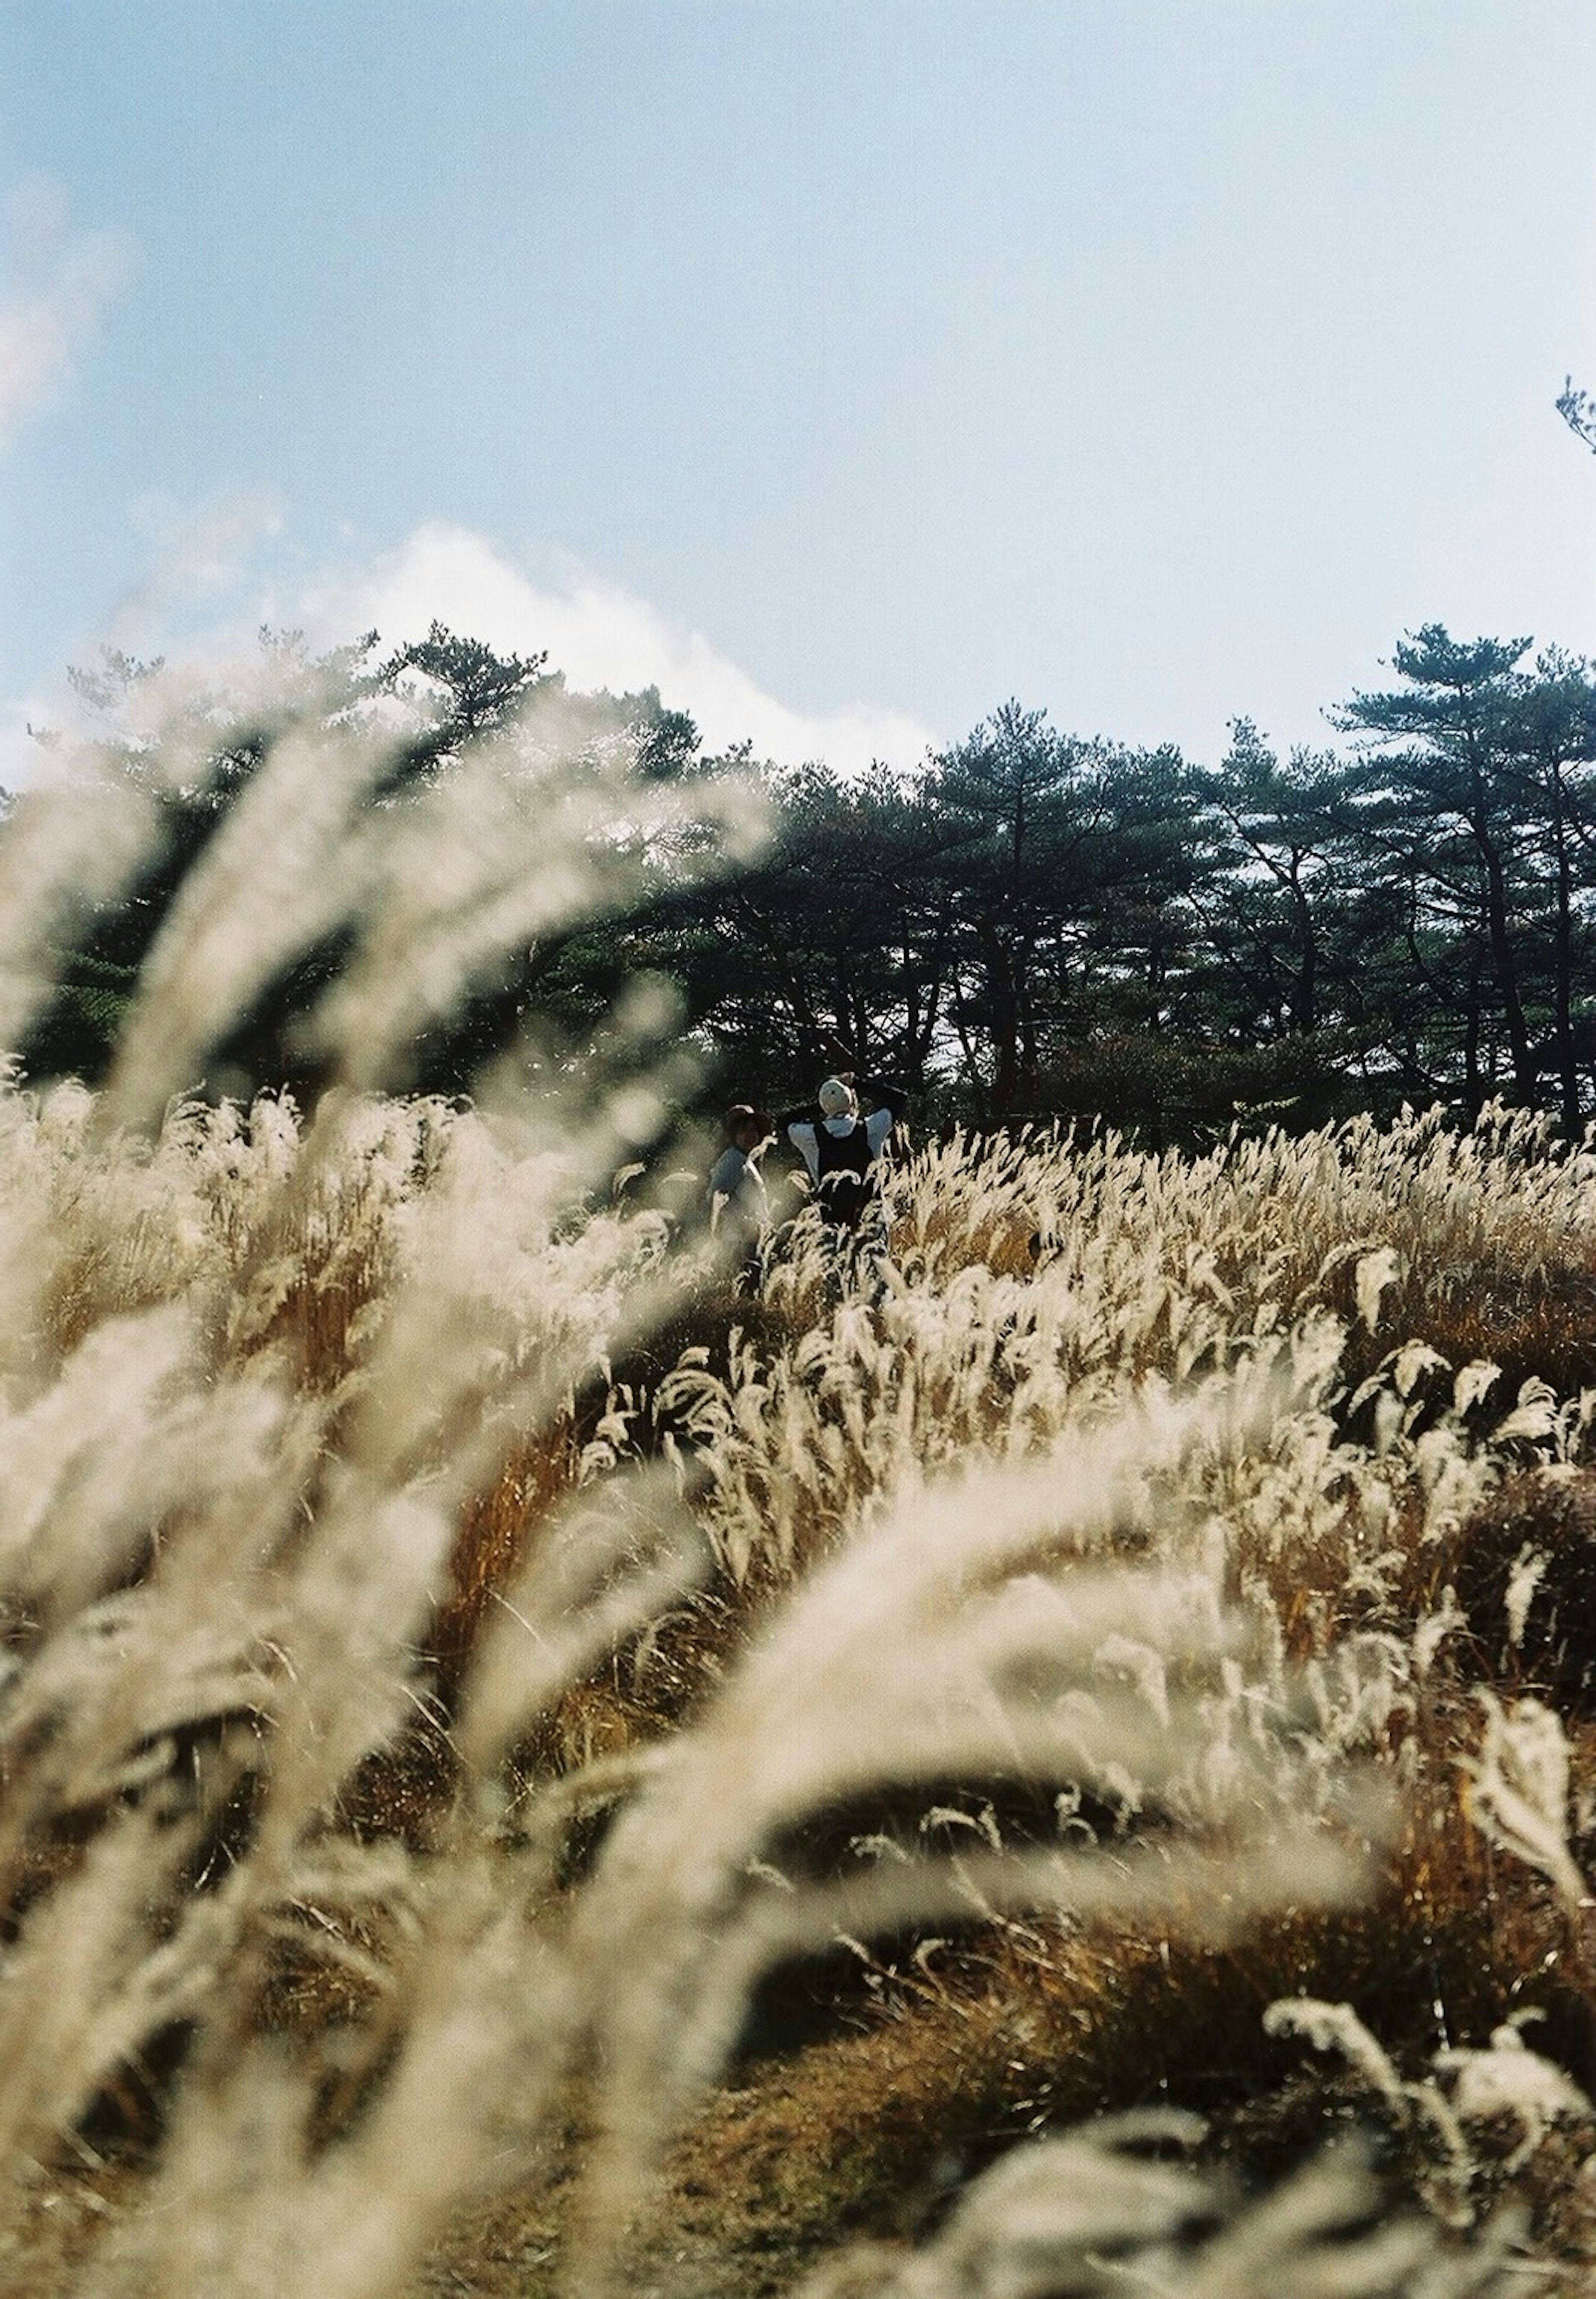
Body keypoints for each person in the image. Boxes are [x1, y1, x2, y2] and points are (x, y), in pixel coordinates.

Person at [778, 1071, 906, 1294]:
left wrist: (825, 1104)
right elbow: (898, 1099)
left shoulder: (810, 1136)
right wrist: (857, 1083)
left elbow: (784, 1122)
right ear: (851, 1100)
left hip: (832, 1220)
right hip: (872, 1216)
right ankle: (880, 1324)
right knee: (877, 1283)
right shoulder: (870, 1129)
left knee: (837, 1287)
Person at [707, 1104, 774, 1288]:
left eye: (754, 1130)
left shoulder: (744, 1160)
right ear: (733, 1135)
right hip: (738, 1244)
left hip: (749, 1243)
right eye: (744, 1131)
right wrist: (743, 1222)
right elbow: (714, 1196)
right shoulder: (732, 1160)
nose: (751, 1135)